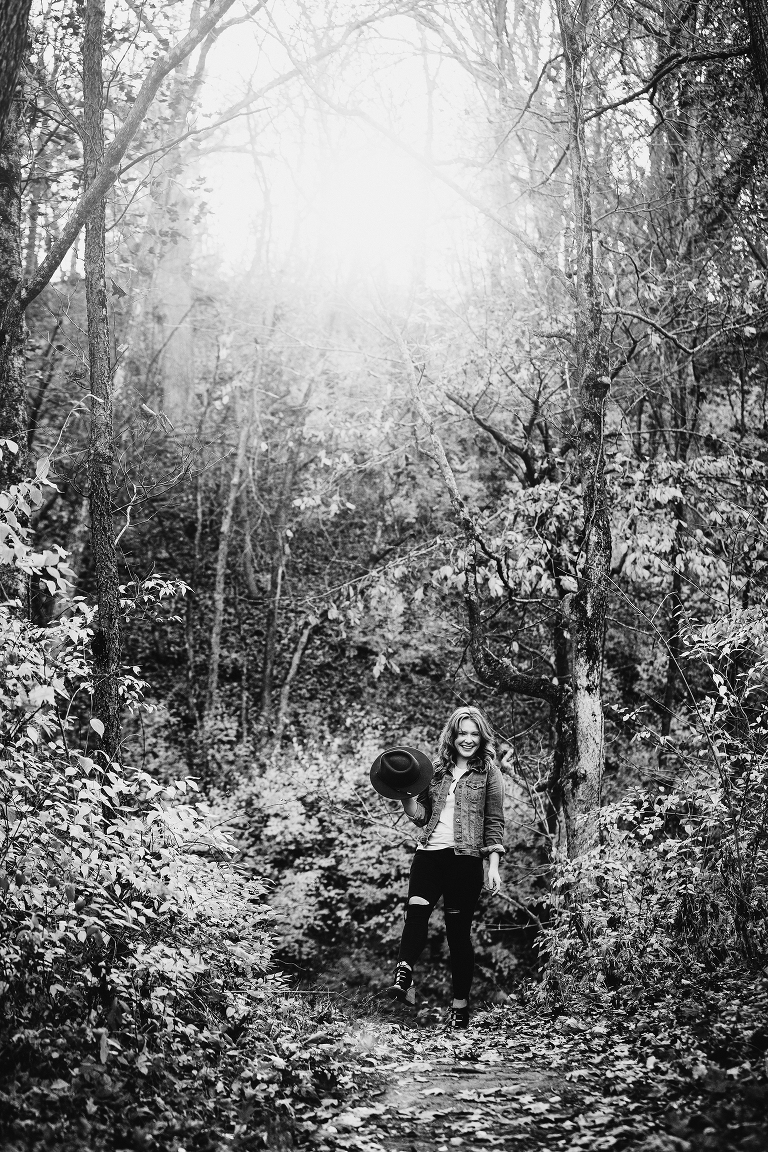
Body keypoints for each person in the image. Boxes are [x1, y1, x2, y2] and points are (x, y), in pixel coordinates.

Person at [385, 705, 505, 1029]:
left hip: (465, 861)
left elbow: (494, 823)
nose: (468, 739)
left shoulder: (489, 773)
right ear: (452, 736)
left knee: (457, 934)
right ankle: (404, 976)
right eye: (462, 733)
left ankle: (460, 1006)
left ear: (482, 737)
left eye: (474, 734)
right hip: (429, 855)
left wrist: (493, 866)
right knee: (416, 911)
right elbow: (422, 815)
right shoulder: (435, 769)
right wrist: (405, 795)